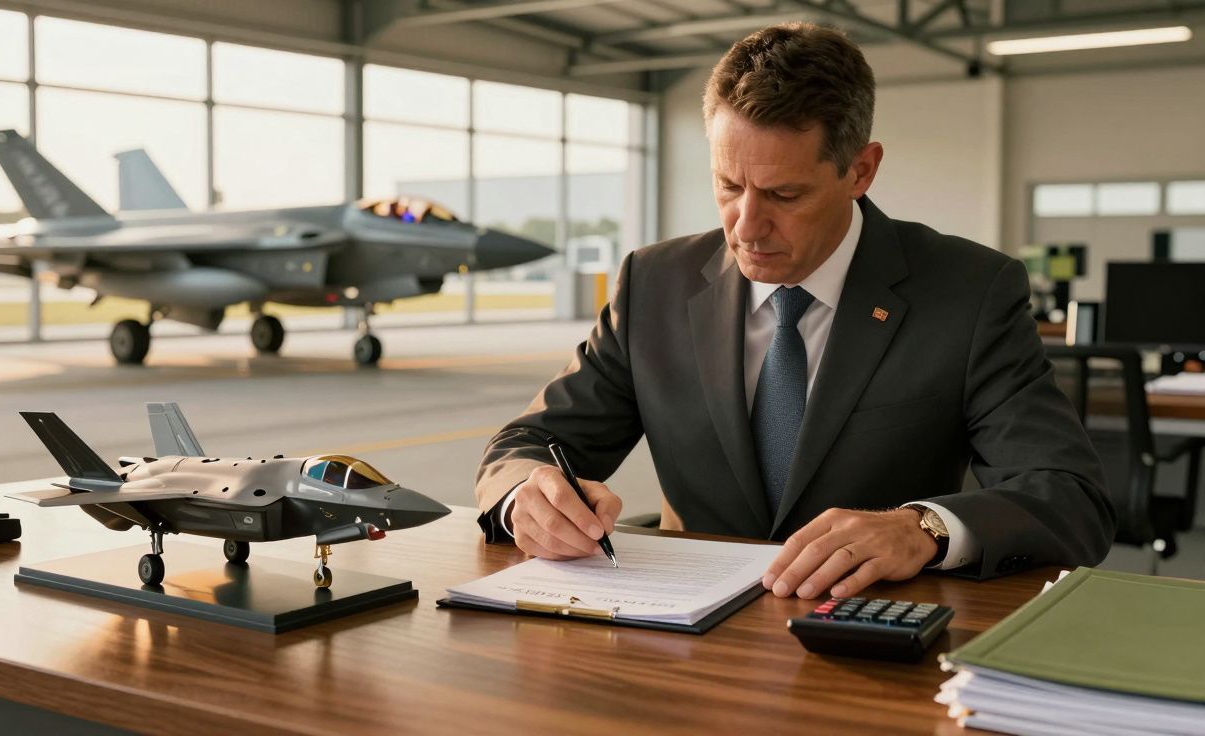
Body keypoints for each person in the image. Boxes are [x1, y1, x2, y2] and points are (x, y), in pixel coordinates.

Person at [474, 22, 1115, 600]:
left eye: (783, 194)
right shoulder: (655, 283)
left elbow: (1070, 498)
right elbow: (527, 443)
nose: (746, 226)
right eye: (728, 186)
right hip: (683, 639)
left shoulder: (970, 291)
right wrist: (523, 496)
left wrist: (923, 527)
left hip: (868, 643)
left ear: (861, 170)